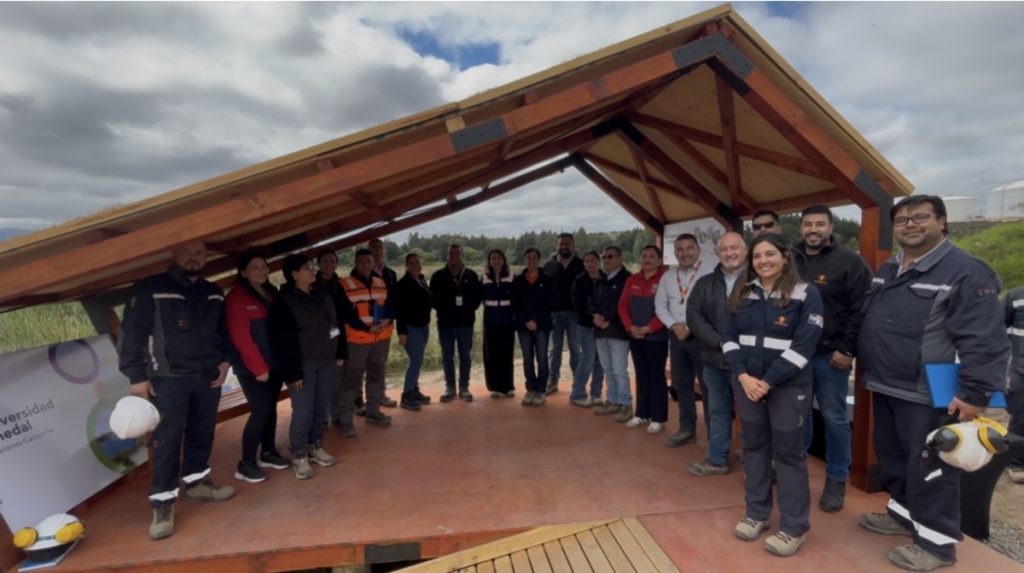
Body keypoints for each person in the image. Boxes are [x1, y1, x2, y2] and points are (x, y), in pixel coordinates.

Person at [857, 195, 1009, 571]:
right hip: (888, 383)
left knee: (932, 466)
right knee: (893, 458)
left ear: (942, 222)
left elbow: (985, 340)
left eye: (920, 217)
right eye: (903, 219)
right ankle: (902, 514)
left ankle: (937, 545)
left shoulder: (966, 272)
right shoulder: (890, 268)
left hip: (932, 389)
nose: (909, 224)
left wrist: (975, 394)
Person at [119, 241, 236, 540]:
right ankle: (162, 503)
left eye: (199, 253)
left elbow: (223, 332)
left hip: (208, 377)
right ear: (173, 255)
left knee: (203, 432)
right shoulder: (150, 288)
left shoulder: (213, 291)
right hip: (168, 380)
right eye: (187, 252)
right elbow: (132, 333)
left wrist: (225, 362)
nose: (193, 258)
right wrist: (137, 376)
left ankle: (197, 484)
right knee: (166, 441)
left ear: (207, 258)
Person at [723, 233, 823, 557]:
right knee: (753, 450)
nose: (762, 261)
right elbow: (728, 337)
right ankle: (757, 514)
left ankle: (793, 527)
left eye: (770, 254)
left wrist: (765, 382)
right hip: (748, 384)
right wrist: (742, 376)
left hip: (788, 388)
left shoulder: (806, 294)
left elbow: (805, 345)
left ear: (784, 255)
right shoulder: (742, 292)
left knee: (789, 456)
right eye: (757, 256)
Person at [794, 204, 872, 512]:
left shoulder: (850, 263)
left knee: (835, 418)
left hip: (830, 357)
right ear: (800, 228)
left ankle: (836, 480)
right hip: (794, 356)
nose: (813, 229)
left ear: (831, 227)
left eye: (819, 224)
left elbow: (861, 310)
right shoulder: (790, 260)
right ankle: (795, 474)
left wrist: (847, 349)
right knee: (798, 418)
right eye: (808, 224)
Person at [270, 254, 346, 480]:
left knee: (321, 407)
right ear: (293, 274)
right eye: (307, 267)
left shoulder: (322, 292)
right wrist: (292, 372)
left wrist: (340, 351)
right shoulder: (283, 300)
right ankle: (299, 454)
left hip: (326, 360)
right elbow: (282, 340)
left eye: (313, 266)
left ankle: (316, 445)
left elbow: (336, 321)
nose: (313, 270)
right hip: (302, 365)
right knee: (303, 411)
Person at [225, 251, 291, 484]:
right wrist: (257, 367)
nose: (261, 270)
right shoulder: (237, 298)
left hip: (274, 365)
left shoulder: (270, 293)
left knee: (270, 409)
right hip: (254, 369)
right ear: (243, 272)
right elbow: (241, 337)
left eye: (264, 265)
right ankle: (246, 464)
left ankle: (268, 452)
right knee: (261, 411)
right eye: (254, 267)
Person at [685, 232, 747, 476]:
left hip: (747, 363)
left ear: (745, 251)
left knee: (752, 415)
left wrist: (738, 347)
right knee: (718, 411)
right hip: (713, 359)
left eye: (734, 248)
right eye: (724, 249)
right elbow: (694, 316)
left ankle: (755, 459)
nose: (730, 253)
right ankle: (717, 459)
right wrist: (721, 342)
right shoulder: (705, 283)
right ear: (717, 253)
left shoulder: (758, 281)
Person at [655, 233, 710, 447]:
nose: (684, 253)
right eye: (680, 249)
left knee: (708, 387)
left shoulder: (710, 274)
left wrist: (690, 326)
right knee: (681, 384)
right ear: (675, 252)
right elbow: (660, 305)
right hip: (676, 337)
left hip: (702, 338)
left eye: (689, 248)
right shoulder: (668, 277)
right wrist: (674, 325)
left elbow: (713, 308)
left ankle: (715, 434)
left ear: (698, 250)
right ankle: (687, 428)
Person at [337, 248, 394, 429]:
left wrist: (388, 318)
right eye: (361, 261)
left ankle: (373, 412)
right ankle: (346, 421)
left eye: (368, 261)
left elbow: (390, 304)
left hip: (380, 339)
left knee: (376, 377)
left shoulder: (381, 281)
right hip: (358, 341)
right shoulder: (344, 284)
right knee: (352, 381)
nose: (365, 265)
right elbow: (345, 314)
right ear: (355, 262)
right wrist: (367, 327)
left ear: (373, 262)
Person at [619, 244, 669, 434]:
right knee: (641, 374)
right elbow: (622, 306)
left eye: (652, 256)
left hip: (656, 337)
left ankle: (658, 418)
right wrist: (631, 327)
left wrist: (649, 328)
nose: (647, 258)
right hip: (635, 336)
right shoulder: (632, 279)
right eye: (644, 255)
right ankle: (642, 413)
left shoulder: (665, 279)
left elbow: (666, 308)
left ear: (659, 260)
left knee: (656, 376)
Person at [430, 244, 483, 402]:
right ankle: (450, 388)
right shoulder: (438, 275)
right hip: (445, 324)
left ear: (462, 255)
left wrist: (467, 309)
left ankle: (464, 388)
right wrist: (446, 309)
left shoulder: (471, 275)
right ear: (447, 255)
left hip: (465, 324)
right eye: (451, 253)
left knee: (465, 356)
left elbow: (477, 298)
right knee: (447, 357)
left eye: (457, 253)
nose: (454, 256)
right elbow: (433, 299)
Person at [590, 246, 634, 420]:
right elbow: (591, 301)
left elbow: (625, 306)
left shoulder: (627, 279)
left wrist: (609, 320)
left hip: (618, 331)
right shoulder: (601, 280)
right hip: (600, 331)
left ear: (620, 259)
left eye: (610, 257)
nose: (606, 260)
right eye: (604, 257)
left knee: (619, 370)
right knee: (607, 369)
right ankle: (612, 401)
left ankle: (625, 404)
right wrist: (595, 316)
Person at [513, 247, 557, 406]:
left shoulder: (547, 279)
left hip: (542, 326)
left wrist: (536, 321)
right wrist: (526, 321)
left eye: (534, 257)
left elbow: (549, 304)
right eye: (528, 257)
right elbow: (515, 304)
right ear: (525, 259)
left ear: (539, 260)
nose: (531, 260)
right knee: (527, 359)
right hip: (523, 326)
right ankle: (531, 388)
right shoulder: (518, 280)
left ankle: (541, 390)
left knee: (542, 359)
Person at [543, 233, 585, 395]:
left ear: (573, 245)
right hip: (554, 314)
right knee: (554, 349)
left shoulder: (581, 264)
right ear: (557, 246)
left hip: (575, 314)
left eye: (567, 244)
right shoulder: (549, 265)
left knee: (576, 348)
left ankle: (578, 382)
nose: (564, 247)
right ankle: (552, 380)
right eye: (561, 244)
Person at [392, 253, 434, 411]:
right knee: (415, 360)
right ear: (406, 265)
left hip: (424, 326)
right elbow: (399, 311)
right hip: (410, 328)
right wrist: (401, 332)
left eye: (417, 262)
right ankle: (406, 395)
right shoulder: (402, 285)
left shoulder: (422, 280)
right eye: (411, 263)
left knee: (419, 360)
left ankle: (415, 390)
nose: (415, 265)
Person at [316, 250, 354, 427]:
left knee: (338, 379)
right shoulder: (312, 284)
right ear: (319, 263)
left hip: (338, 334)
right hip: (317, 337)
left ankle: (337, 413)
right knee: (322, 380)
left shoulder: (341, 285)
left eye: (332, 261)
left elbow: (346, 310)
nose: (329, 265)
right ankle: (322, 417)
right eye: (325, 261)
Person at [569, 251, 605, 407]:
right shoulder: (579, 281)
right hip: (585, 326)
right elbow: (577, 304)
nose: (590, 263)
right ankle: (577, 393)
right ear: (584, 264)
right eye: (587, 261)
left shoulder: (605, 278)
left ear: (599, 262)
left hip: (603, 326)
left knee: (600, 361)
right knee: (588, 359)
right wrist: (593, 318)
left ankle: (596, 394)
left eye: (593, 260)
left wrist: (603, 318)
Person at [482, 249, 516, 398]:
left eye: (499, 258)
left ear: (504, 260)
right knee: (491, 354)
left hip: (507, 320)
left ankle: (507, 386)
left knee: (506, 354)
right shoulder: (484, 278)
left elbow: (517, 299)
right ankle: (494, 387)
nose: (496, 261)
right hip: (490, 321)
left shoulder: (511, 277)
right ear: (489, 261)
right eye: (493, 258)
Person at [368, 238, 398, 409]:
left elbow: (394, 300)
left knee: (380, 361)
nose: (377, 250)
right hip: (365, 327)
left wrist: (389, 318)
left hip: (385, 325)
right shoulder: (359, 272)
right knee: (361, 363)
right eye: (373, 247)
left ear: (384, 251)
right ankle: (359, 398)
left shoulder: (391, 274)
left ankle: (381, 394)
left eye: (380, 247)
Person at [1005, 285, 1024, 484]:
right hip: (1021, 369)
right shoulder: (1015, 296)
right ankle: (1017, 462)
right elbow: (998, 329)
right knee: (1020, 417)